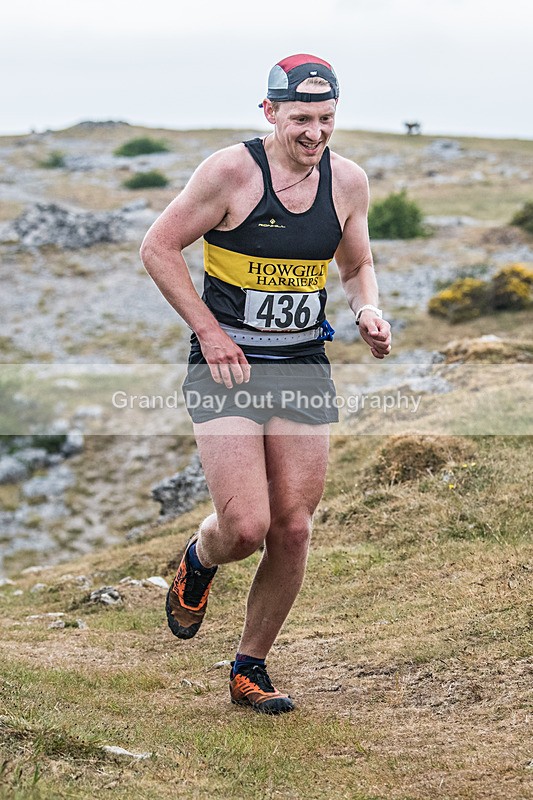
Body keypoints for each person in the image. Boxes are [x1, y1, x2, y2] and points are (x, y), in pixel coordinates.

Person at [140, 53, 391, 715]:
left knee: (294, 529)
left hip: (302, 365)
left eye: (326, 118)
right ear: (270, 112)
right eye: (300, 118)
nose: (314, 132)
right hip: (227, 367)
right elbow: (158, 248)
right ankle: (200, 557)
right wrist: (209, 331)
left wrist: (366, 307)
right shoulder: (230, 172)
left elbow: (357, 260)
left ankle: (248, 667)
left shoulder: (347, 182)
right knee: (245, 527)